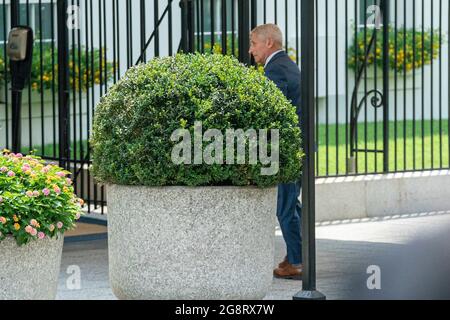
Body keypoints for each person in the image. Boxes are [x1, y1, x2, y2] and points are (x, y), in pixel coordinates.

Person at [249, 24, 303, 280]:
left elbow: (272, 113)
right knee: (293, 205)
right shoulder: (287, 65)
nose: (251, 51)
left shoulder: (276, 69)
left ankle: (296, 262)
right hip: (297, 148)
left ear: (269, 42)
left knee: (285, 207)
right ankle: (299, 256)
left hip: (286, 150)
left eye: (254, 44)